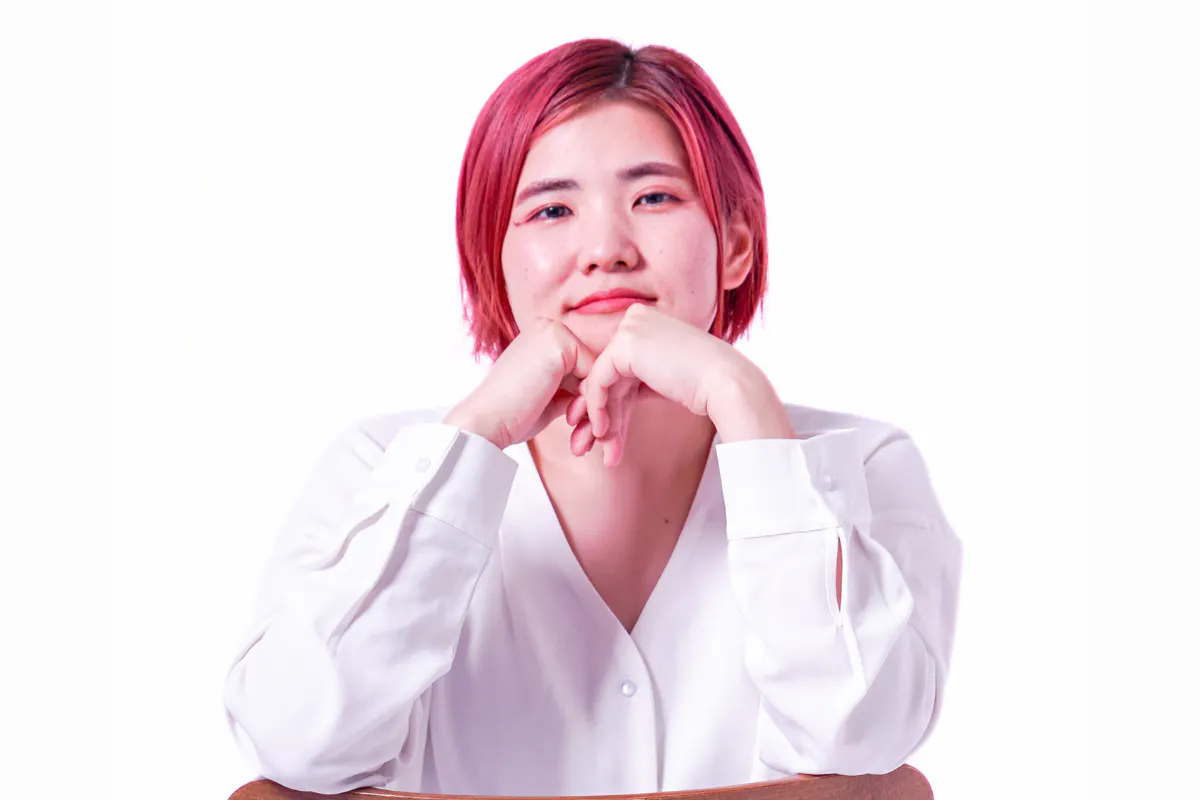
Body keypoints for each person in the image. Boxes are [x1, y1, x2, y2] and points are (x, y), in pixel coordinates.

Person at [222, 38, 964, 798]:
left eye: (654, 199)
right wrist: (472, 437)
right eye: (552, 210)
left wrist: (741, 399)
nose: (606, 250)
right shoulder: (381, 463)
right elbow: (297, 742)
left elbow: (861, 737)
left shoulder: (864, 465)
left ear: (736, 247)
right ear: (492, 263)